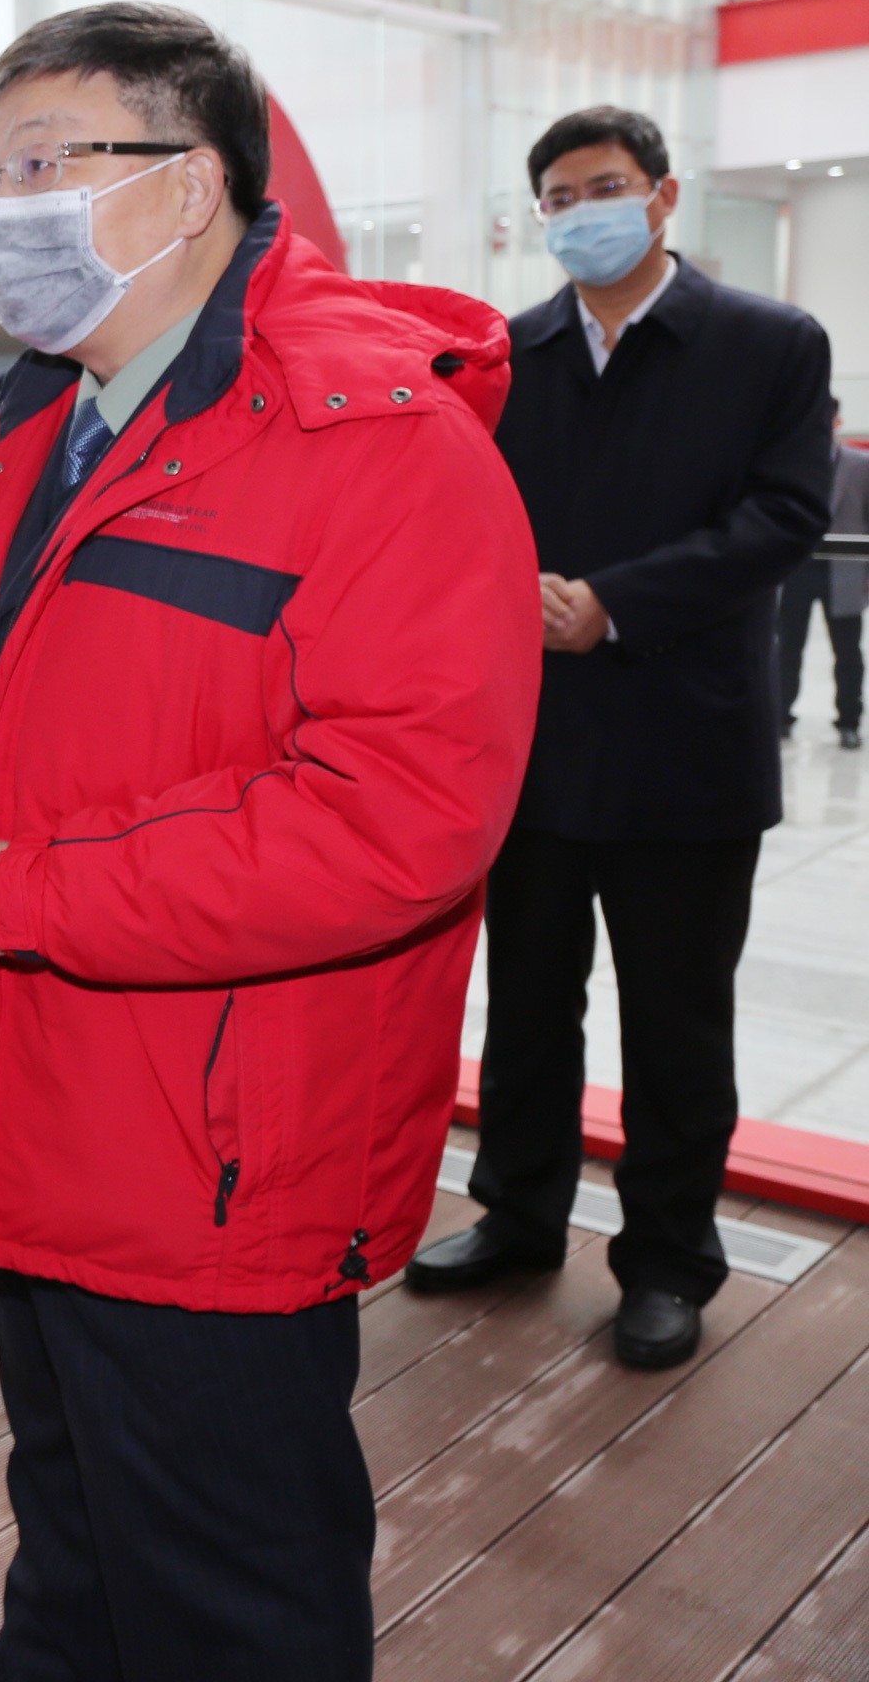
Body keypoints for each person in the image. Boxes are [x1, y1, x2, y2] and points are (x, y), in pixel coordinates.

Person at [0, 2, 537, 1679]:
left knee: (227, 1599)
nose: (4, 212)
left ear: (193, 182)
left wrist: (28, 893)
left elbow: (398, 821)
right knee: (75, 1556)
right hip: (40, 1086)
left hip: (216, 1142)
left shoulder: (376, 444)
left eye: (44, 165)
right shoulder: (33, 423)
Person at [409, 106, 833, 1372]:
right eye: (557, 195)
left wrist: (616, 602)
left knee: (677, 1025)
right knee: (529, 1005)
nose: (581, 212)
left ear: (662, 194)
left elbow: (785, 514)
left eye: (605, 186)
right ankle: (517, 1214)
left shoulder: (767, 342)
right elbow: (453, 514)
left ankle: (665, 1261)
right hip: (532, 745)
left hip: (685, 747)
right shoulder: (509, 356)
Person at [776, 399, 869, 747]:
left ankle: (849, 720)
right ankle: (780, 715)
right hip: (796, 570)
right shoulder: (788, 464)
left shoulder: (860, 465)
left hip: (844, 570)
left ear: (837, 422)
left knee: (847, 651)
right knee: (787, 647)